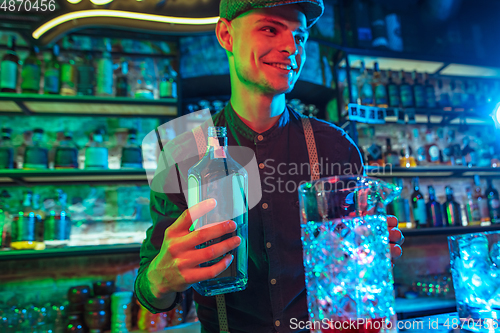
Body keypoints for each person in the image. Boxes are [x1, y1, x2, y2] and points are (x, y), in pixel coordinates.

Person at [134, 0, 404, 332]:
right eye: (269, 28)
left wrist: (369, 256)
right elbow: (152, 292)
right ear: (226, 35)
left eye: (300, 36)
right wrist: (161, 279)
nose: (291, 47)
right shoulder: (182, 153)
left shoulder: (334, 146)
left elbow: (357, 270)